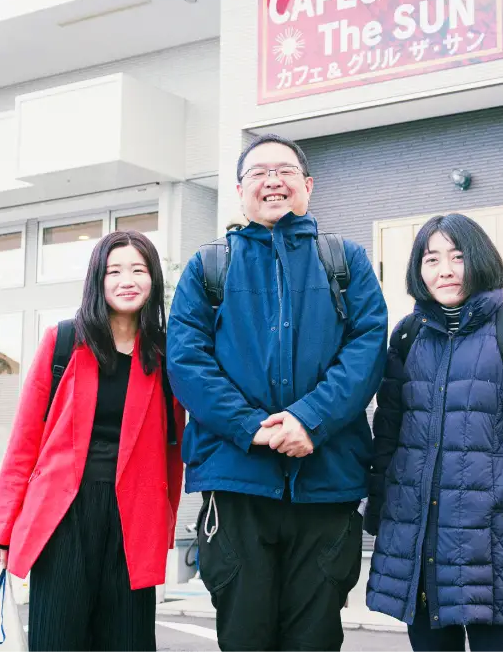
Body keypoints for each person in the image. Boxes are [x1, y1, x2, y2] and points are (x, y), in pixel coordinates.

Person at [167, 133, 388, 651]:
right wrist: (252, 428)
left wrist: (310, 419)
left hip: (326, 481)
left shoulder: (345, 261)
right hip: (238, 482)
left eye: (285, 171)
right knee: (244, 635)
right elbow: (187, 361)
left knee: (315, 638)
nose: (273, 181)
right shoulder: (209, 267)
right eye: (259, 172)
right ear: (239, 190)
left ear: (308, 185)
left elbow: (367, 348)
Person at [364, 213, 503, 652]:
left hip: (491, 537)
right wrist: (380, 514)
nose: (444, 270)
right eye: (431, 259)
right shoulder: (408, 335)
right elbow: (389, 436)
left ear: (480, 259)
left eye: (457, 257)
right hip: (420, 536)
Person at [0, 230, 185, 652]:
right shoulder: (62, 342)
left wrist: (165, 521)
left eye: (138, 270)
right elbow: (24, 441)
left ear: (153, 280)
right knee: (56, 639)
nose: (127, 280)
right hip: (63, 516)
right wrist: (3, 527)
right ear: (98, 279)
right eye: (114, 271)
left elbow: (174, 447)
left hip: (134, 518)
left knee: (129, 641)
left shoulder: (166, 354)